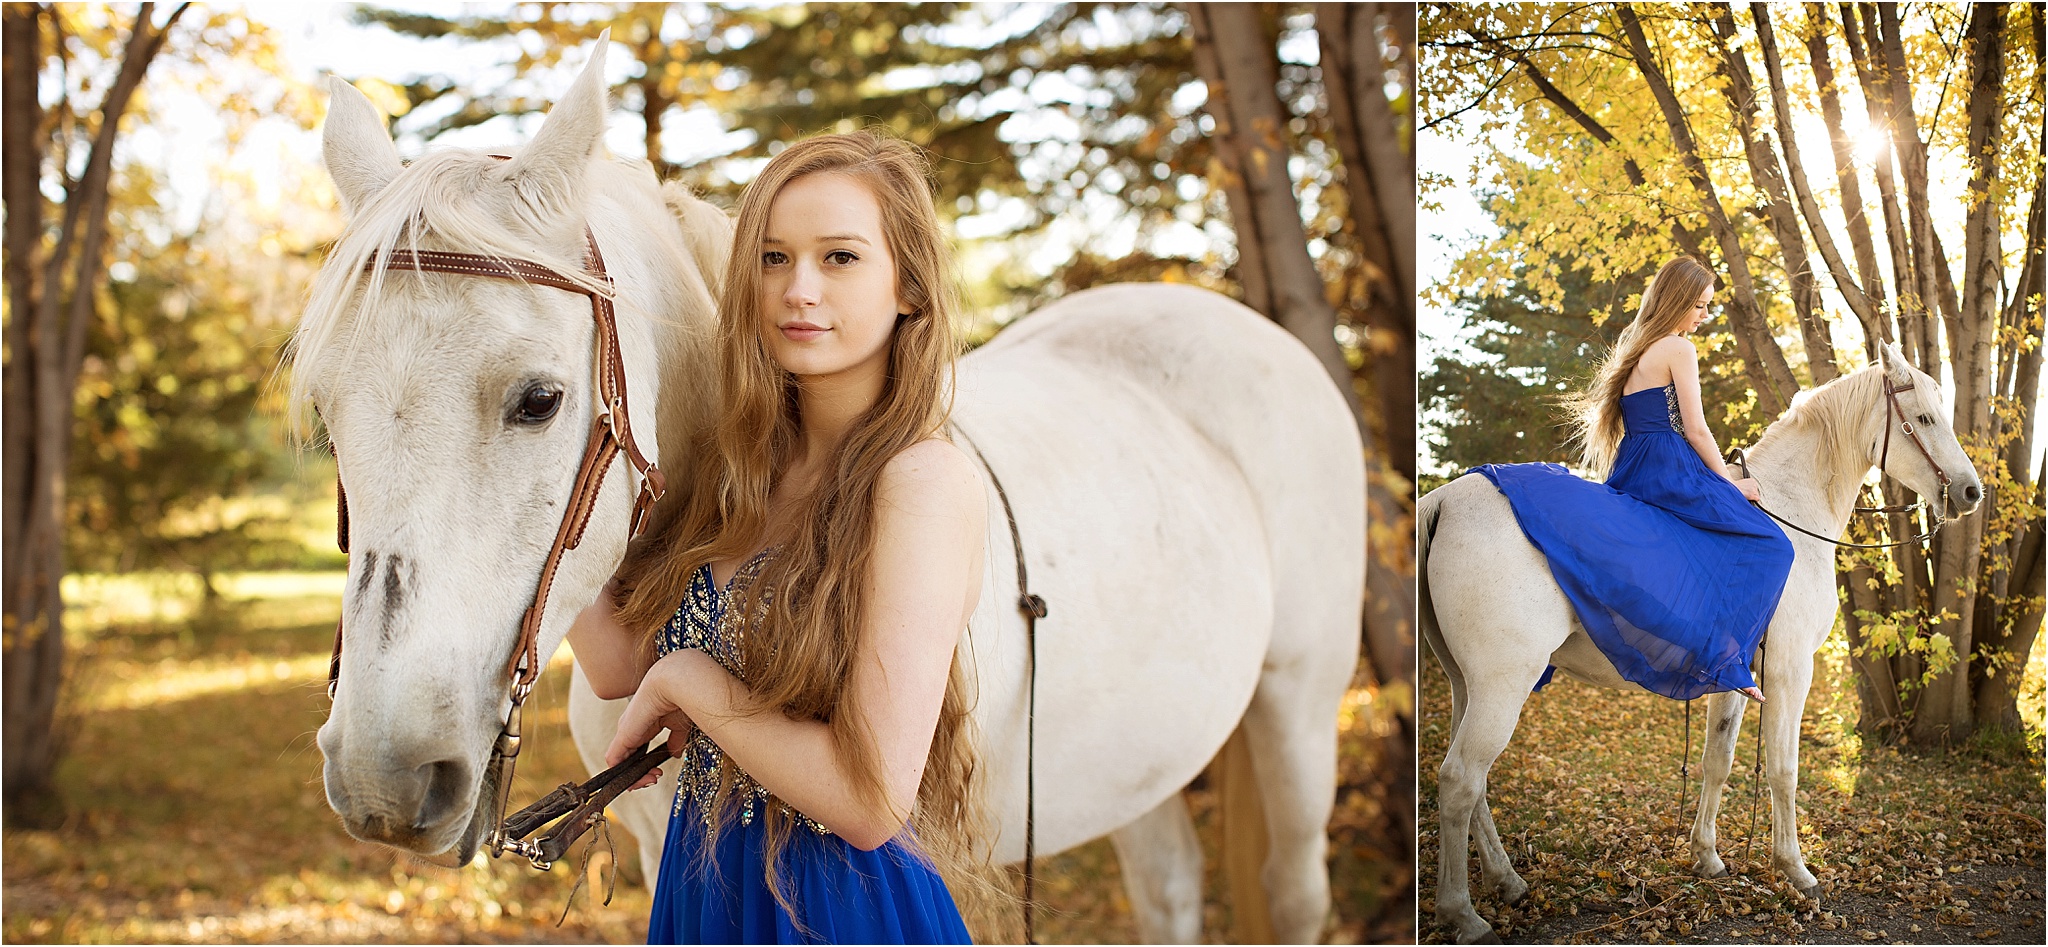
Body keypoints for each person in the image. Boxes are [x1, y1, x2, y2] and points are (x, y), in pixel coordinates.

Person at [567, 131, 990, 944]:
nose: (799, 289)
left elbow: (870, 801)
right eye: (772, 258)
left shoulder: (919, 481)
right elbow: (619, 664)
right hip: (703, 898)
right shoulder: (742, 469)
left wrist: (689, 681)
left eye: (840, 258)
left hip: (835, 910)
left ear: (908, 286)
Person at [1468, 256, 1794, 703]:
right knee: (1772, 544)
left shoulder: (1638, 349)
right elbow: (1696, 430)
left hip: (1638, 467)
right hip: (1670, 467)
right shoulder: (1677, 348)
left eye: (1707, 305)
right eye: (1699, 305)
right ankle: (1726, 660)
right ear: (1677, 301)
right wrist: (1729, 486)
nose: (1704, 316)